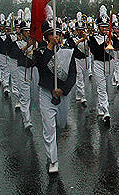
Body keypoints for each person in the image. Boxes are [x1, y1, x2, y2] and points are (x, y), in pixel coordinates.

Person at [34, 17, 76, 173]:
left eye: (57, 33)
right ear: (46, 37)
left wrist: (63, 90)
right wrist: (49, 49)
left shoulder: (67, 52)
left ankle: (53, 149)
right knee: (48, 128)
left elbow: (73, 74)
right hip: (46, 93)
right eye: (51, 34)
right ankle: (52, 159)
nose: (55, 36)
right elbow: (40, 65)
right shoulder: (40, 52)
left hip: (63, 94)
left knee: (60, 124)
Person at [66, 12, 89, 106]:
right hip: (76, 59)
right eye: (79, 29)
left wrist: (87, 39)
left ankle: (78, 93)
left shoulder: (86, 37)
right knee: (79, 77)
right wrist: (80, 40)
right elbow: (72, 46)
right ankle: (83, 96)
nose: (80, 31)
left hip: (86, 59)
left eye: (82, 29)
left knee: (85, 77)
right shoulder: (72, 38)